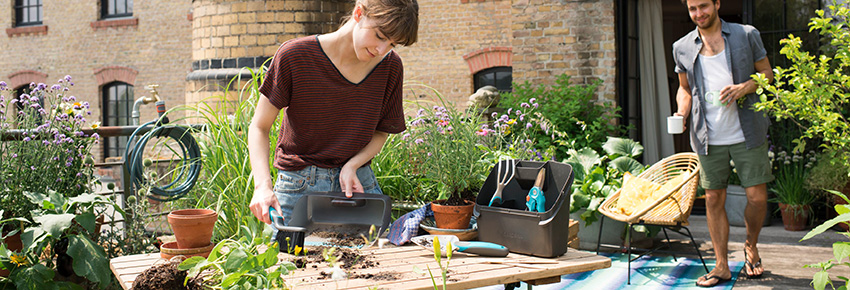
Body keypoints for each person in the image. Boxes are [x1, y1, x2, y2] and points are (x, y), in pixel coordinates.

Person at [247, 0, 419, 228]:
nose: (381, 50)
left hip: (357, 185)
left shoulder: (390, 66)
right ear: (359, 13)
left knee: (379, 262)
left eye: (392, 44)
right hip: (297, 187)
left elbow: (381, 132)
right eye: (379, 36)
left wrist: (353, 165)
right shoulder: (294, 56)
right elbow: (259, 127)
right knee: (284, 262)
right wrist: (262, 187)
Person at [672, 0, 774, 287]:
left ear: (717, 4)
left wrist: (745, 87)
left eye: (703, 6)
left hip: (747, 131)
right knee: (714, 199)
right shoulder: (682, 46)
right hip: (707, 136)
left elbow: (767, 75)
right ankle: (721, 266)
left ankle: (751, 244)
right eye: (692, 9)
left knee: (757, 198)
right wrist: (681, 112)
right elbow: (684, 89)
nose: (698, 14)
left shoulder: (746, 34)